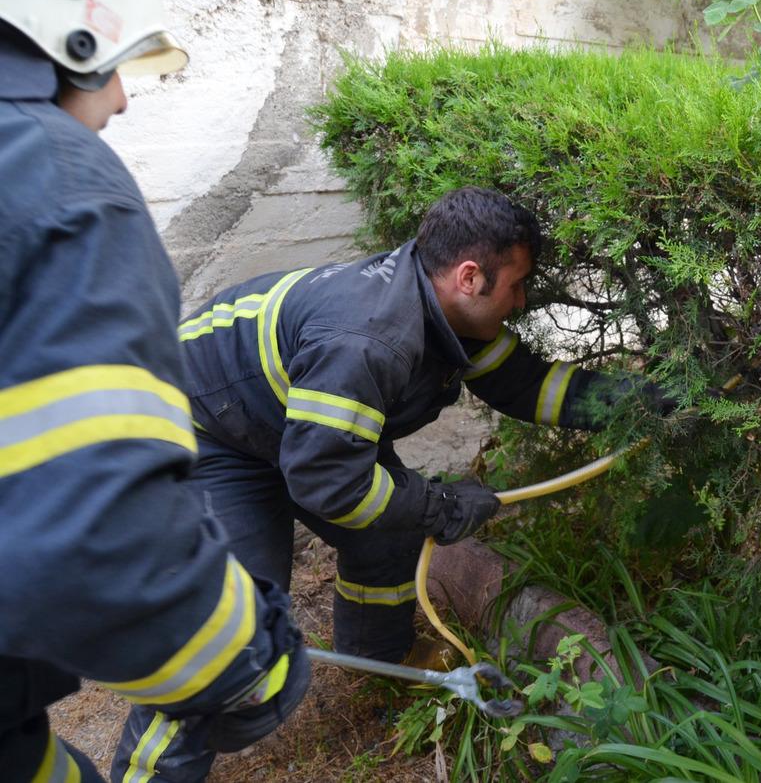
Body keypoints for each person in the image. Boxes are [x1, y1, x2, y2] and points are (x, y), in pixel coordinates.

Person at [0, 0, 310, 783]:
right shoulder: (59, 179)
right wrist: (244, 667)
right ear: (62, 47)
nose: (125, 96)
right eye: (112, 70)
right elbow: (99, 532)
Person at [173, 186, 675, 671]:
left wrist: (641, 402)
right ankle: (152, 757)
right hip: (208, 431)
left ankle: (379, 661)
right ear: (470, 277)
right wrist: (440, 506)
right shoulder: (368, 341)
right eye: (516, 284)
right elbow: (328, 480)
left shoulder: (444, 309)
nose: (520, 301)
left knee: (389, 528)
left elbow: (527, 386)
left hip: (283, 424)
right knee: (238, 632)